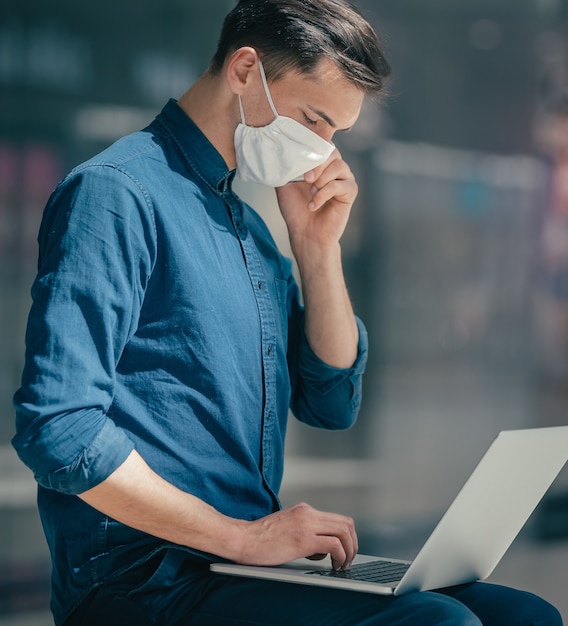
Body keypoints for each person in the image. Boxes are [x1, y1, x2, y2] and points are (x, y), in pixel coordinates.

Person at [12, 0, 563, 624]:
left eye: (337, 134)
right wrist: (245, 538)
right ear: (245, 70)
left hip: (240, 568)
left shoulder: (248, 228)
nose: (322, 152)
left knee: (524, 616)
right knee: (442, 623)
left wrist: (315, 248)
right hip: (143, 582)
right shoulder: (116, 194)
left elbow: (330, 400)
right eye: (314, 120)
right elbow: (58, 428)